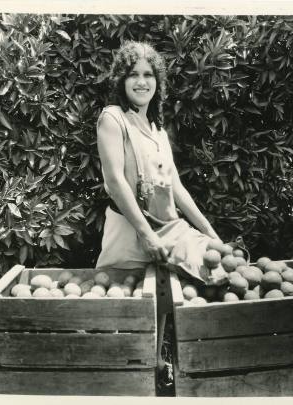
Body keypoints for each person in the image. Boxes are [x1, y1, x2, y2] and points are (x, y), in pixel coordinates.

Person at [95, 40, 222, 371]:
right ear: (121, 80)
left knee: (162, 297)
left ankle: (155, 365)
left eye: (148, 74)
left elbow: (174, 186)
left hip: (165, 230)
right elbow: (115, 182)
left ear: (157, 81)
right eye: (133, 74)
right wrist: (145, 233)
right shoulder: (113, 119)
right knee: (125, 305)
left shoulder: (157, 129)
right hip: (128, 230)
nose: (141, 81)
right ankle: (124, 379)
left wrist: (210, 233)